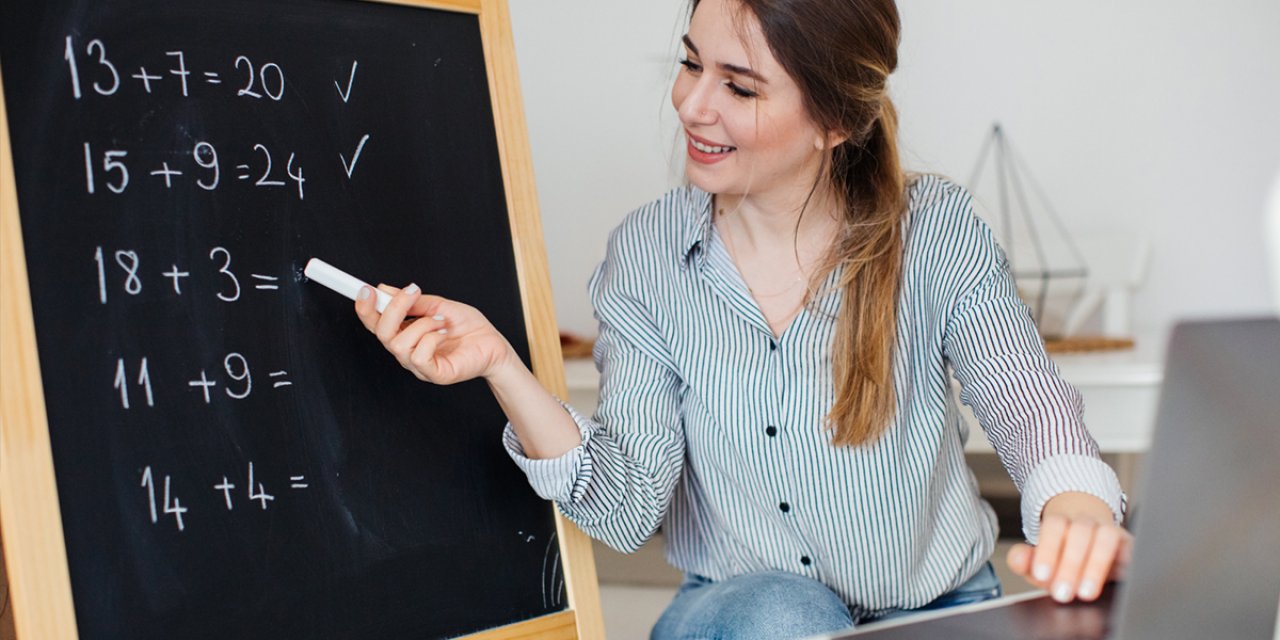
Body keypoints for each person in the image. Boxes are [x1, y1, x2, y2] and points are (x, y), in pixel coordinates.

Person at [353, 0, 1131, 636]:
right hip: (740, 621)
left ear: (835, 123)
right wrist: (498, 363)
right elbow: (626, 511)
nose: (692, 104)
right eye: (691, 63)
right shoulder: (647, 256)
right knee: (789, 616)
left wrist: (1076, 508)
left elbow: (1026, 400)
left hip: (939, 613)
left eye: (741, 86)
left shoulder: (933, 229)